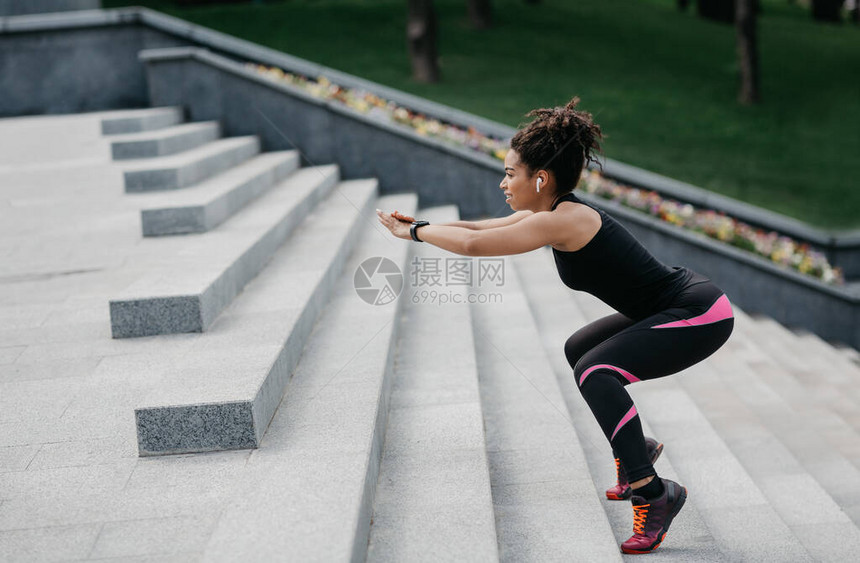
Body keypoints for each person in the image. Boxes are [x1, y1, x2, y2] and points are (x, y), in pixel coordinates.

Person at [376, 96, 734, 555]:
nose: (503, 182)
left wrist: (414, 233)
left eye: (510, 173)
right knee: (578, 350)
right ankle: (635, 450)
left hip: (699, 313)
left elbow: (470, 247)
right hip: (669, 305)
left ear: (540, 178)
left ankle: (654, 491)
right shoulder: (552, 212)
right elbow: (481, 228)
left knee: (596, 371)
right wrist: (424, 223)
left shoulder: (567, 220)